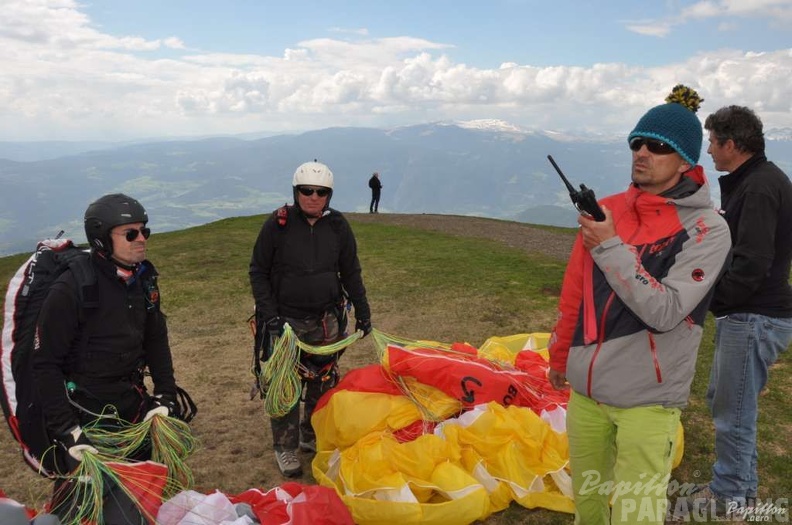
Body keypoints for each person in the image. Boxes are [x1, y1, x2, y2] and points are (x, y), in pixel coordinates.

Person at [546, 85, 731, 525]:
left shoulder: (707, 230)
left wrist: (609, 246)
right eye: (637, 142)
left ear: (685, 160)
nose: (642, 152)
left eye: (658, 146)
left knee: (636, 512)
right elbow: (575, 292)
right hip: (587, 393)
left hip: (647, 400)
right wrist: (559, 357)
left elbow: (665, 312)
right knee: (588, 505)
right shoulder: (606, 210)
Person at [33, 193, 182, 523]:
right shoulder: (72, 288)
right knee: (83, 509)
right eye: (130, 233)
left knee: (135, 504)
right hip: (84, 420)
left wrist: (165, 395)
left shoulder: (143, 279)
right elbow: (45, 364)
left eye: (145, 231)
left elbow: (156, 339)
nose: (142, 239)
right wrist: (68, 432)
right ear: (101, 238)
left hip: (130, 410)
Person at [674, 106, 792, 517]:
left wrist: (715, 299)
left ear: (732, 144)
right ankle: (742, 486)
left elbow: (753, 262)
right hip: (753, 314)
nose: (708, 149)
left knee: (732, 410)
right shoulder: (756, 178)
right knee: (729, 401)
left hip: (753, 315)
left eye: (712, 141)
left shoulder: (758, 187)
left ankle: (727, 497)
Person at [250, 160, 373, 478]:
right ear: (296, 191)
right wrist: (269, 316)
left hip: (325, 321)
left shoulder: (338, 227)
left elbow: (350, 270)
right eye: (307, 191)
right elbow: (258, 272)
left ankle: (311, 434)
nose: (313, 196)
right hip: (285, 322)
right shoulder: (277, 225)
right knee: (285, 384)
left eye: (321, 192)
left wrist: (362, 310)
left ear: (329, 195)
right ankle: (286, 448)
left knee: (323, 381)